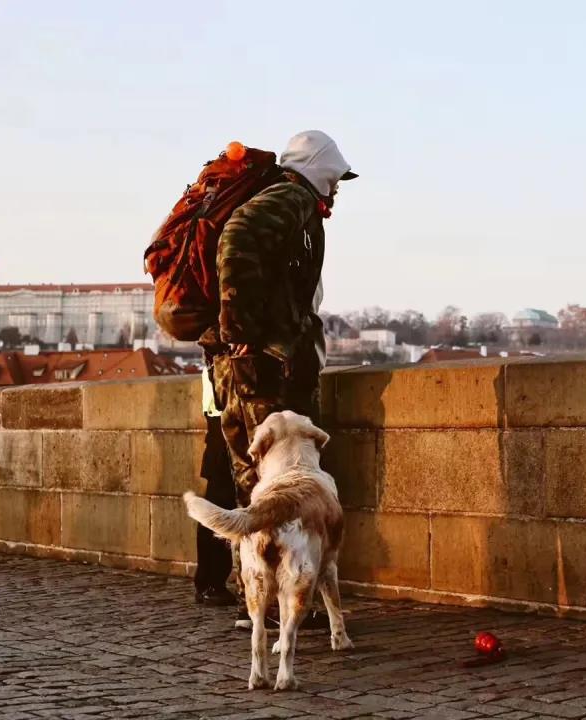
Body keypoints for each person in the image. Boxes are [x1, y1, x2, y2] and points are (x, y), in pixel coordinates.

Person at [198, 130, 356, 628]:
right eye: (335, 176)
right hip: (262, 365)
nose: (337, 187)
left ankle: (259, 602)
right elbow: (238, 238)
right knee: (275, 485)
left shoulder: (289, 199)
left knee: (256, 485)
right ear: (319, 168)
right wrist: (240, 331)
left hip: (249, 361)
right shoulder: (290, 198)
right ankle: (269, 603)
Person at [192, 367, 237, 606]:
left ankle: (208, 582)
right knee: (219, 508)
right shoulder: (218, 357)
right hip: (225, 420)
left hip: (220, 421)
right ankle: (211, 583)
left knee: (217, 507)